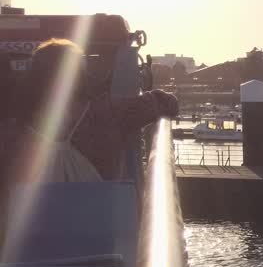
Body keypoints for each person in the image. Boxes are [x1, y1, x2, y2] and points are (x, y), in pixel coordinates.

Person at [9, 39, 178, 182]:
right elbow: (167, 104)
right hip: (97, 212)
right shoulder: (105, 112)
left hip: (36, 219)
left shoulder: (15, 124)